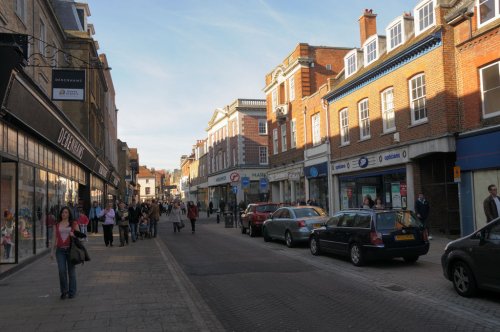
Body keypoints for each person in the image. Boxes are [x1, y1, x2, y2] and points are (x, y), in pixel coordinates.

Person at [50, 206, 79, 299]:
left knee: (71, 272)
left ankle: (72, 292)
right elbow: (54, 238)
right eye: (63, 212)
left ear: (69, 214)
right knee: (61, 271)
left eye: (66, 212)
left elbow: (80, 236)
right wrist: (52, 251)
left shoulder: (73, 223)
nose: (64, 214)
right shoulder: (57, 224)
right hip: (60, 250)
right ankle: (64, 291)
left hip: (71, 250)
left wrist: (73, 234)